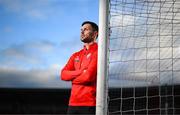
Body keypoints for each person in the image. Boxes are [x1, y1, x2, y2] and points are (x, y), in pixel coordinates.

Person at [60, 21, 98, 115]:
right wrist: (81, 72)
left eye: (86, 29)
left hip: (90, 104)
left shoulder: (98, 52)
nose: (82, 32)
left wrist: (72, 78)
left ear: (95, 34)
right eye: (81, 30)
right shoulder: (76, 55)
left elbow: (88, 77)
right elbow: (63, 74)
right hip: (72, 103)